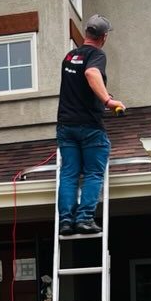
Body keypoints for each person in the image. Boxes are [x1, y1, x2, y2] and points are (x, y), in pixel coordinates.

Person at [56, 13, 125, 235]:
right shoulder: (97, 55)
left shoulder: (69, 57)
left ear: (86, 33)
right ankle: (84, 219)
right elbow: (91, 73)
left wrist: (101, 96)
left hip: (66, 126)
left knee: (69, 174)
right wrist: (108, 100)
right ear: (103, 37)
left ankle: (66, 221)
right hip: (89, 127)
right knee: (94, 173)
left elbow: (79, 89)